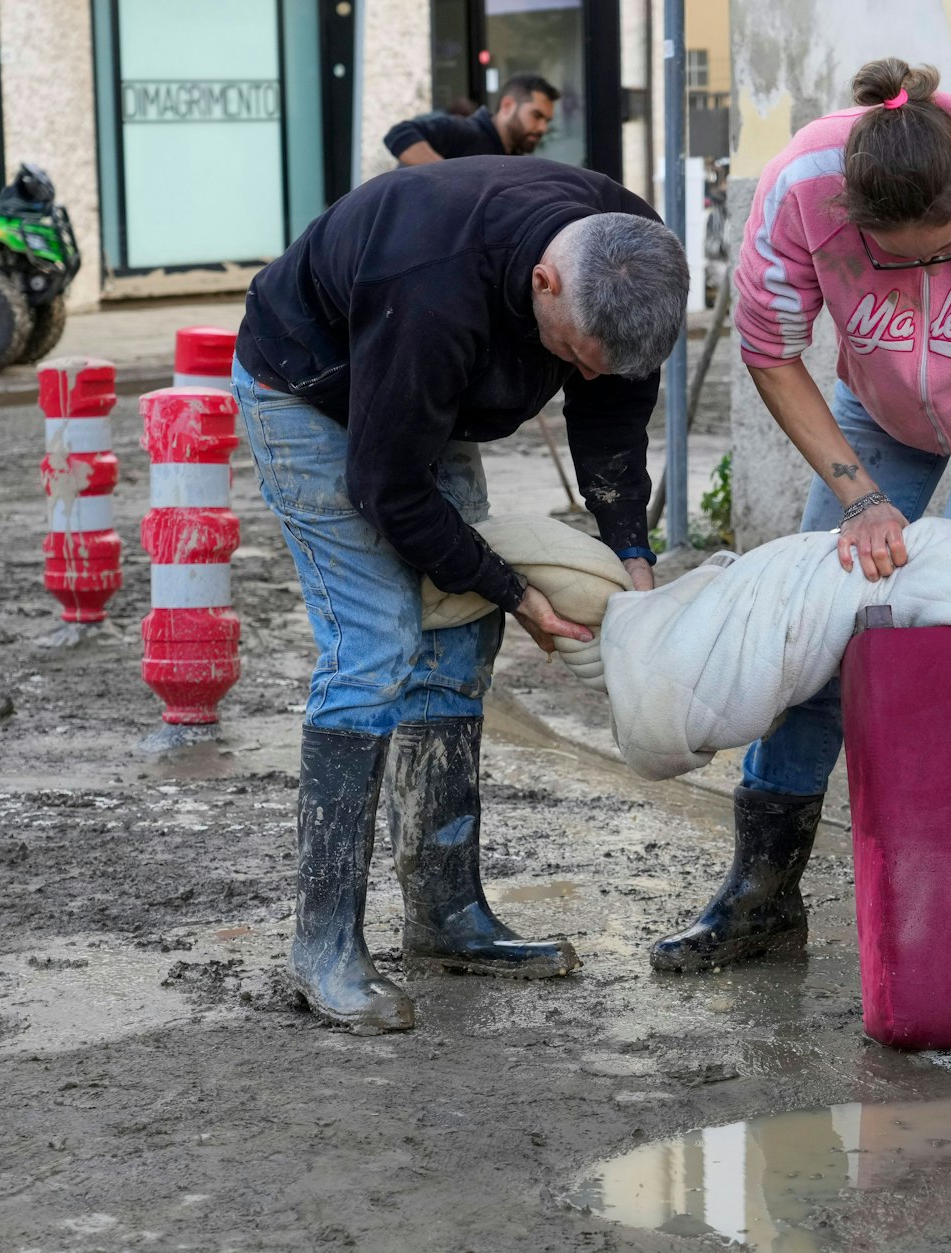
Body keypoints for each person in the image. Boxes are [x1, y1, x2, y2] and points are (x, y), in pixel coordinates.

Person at [651, 58, 951, 972]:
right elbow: (769, 350)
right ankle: (761, 897)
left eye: (949, 246)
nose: (928, 270)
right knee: (826, 631)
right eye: (901, 256)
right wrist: (860, 496)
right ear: (853, 216)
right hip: (876, 413)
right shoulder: (803, 187)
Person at [233, 157, 688, 1031]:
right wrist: (514, 589)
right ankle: (322, 947)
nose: (583, 378)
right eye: (571, 358)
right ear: (544, 282)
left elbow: (613, 414)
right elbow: (388, 487)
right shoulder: (433, 288)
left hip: (425, 392)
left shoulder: (632, 262)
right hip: (317, 390)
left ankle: (445, 914)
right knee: (377, 642)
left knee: (459, 639)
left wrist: (631, 559)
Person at [385, 74, 559, 165]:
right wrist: (453, 176)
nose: (542, 128)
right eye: (536, 116)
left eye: (547, 121)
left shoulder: (512, 158)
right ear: (507, 106)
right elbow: (399, 134)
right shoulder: (466, 131)